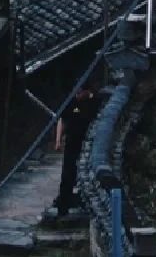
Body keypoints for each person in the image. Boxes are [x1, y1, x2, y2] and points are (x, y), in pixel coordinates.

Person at [50, 83, 98, 219]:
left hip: (88, 143)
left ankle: (85, 203)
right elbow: (62, 119)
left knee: (87, 175)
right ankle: (63, 207)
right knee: (67, 175)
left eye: (80, 92)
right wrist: (58, 140)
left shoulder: (94, 101)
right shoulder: (72, 101)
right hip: (72, 142)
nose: (77, 94)